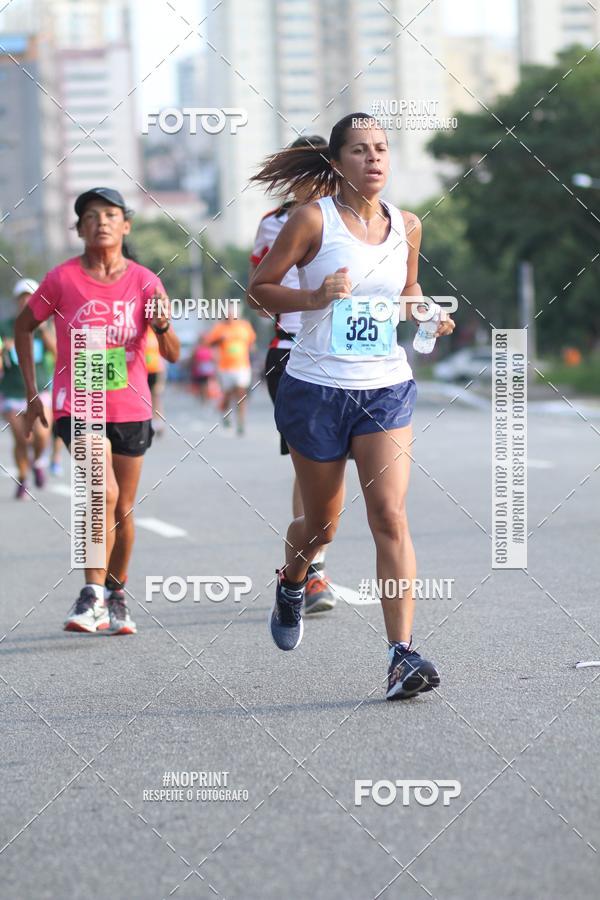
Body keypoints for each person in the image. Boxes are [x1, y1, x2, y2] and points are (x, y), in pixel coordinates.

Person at [250, 114, 455, 700]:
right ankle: (294, 579)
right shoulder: (311, 219)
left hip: (385, 386)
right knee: (321, 526)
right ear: (337, 162)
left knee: (389, 515)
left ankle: (401, 655)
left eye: (382, 149)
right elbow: (261, 287)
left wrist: (425, 313)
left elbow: (408, 290)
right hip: (315, 387)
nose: (375, 159)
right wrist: (314, 296)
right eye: (361, 150)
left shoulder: (407, 225)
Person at [14, 186, 180, 635]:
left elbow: (172, 353)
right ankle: (90, 595)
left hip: (130, 404)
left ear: (125, 225)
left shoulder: (145, 280)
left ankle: (116, 592)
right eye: (90, 216)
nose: (101, 222)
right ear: (79, 228)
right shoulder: (62, 279)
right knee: (99, 494)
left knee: (124, 509)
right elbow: (24, 326)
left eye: (110, 214)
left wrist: (162, 323)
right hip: (79, 399)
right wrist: (34, 394)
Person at [248, 135, 338, 615]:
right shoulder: (273, 225)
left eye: (325, 174)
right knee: (310, 464)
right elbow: (259, 291)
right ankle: (312, 570)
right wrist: (308, 300)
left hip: (352, 358)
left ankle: (306, 565)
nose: (317, 185)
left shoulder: (367, 221)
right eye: (309, 175)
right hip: (291, 352)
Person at [0, 278, 54, 499]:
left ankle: (39, 461)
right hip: (12, 391)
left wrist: (43, 330)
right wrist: (5, 349)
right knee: (22, 438)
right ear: (17, 301)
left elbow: (58, 352)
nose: (26, 301)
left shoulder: (44, 325)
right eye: (23, 297)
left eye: (30, 297)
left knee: (42, 435)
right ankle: (23, 477)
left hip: (40, 389)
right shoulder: (5, 326)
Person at [204, 306, 256, 435]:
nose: (231, 317)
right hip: (225, 367)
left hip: (242, 366)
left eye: (233, 314)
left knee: (241, 393)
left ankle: (241, 422)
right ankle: (225, 413)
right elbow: (209, 343)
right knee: (228, 394)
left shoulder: (244, 326)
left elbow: (251, 343)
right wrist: (219, 340)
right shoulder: (220, 328)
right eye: (228, 314)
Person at [145, 325, 167, 436]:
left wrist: (162, 376)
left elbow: (163, 355)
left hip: (156, 370)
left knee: (156, 396)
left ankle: (159, 423)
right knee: (144, 398)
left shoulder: (156, 333)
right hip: (141, 370)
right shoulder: (140, 331)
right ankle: (147, 423)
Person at [190, 334, 216, 402]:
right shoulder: (196, 349)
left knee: (205, 384)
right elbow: (193, 358)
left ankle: (205, 397)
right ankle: (202, 396)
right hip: (199, 370)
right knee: (201, 384)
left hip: (207, 370)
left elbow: (213, 359)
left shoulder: (209, 349)